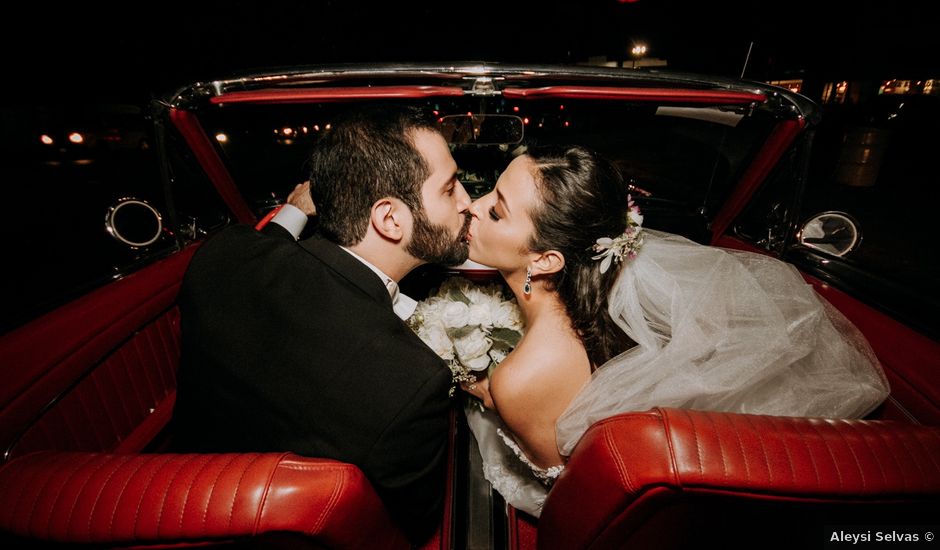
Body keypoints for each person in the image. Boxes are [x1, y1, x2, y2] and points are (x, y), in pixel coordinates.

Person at [460, 145, 890, 516]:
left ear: (545, 260)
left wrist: (496, 393)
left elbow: (565, 493)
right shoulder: (604, 304)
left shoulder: (523, 377)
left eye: (496, 210)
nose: (472, 206)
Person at [171, 105, 472, 543]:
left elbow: (265, 249)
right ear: (389, 219)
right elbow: (414, 527)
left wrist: (292, 213)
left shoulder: (222, 258)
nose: (467, 202)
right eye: (450, 189)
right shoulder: (412, 385)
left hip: (188, 512)